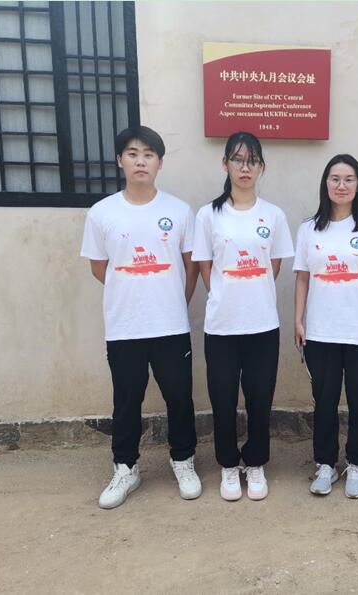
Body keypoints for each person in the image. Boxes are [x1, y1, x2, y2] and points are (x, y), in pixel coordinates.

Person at [80, 126, 201, 509]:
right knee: (126, 401)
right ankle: (126, 468)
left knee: (179, 397)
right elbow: (99, 267)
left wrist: (173, 300)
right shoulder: (102, 213)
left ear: (160, 163)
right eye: (132, 154)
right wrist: (130, 292)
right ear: (120, 160)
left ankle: (183, 460)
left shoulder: (179, 211)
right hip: (125, 327)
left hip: (170, 325)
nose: (140, 161)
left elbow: (191, 267)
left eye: (148, 154)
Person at [192, 131, 294, 501]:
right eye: (237, 159)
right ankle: (228, 465)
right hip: (222, 325)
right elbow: (205, 266)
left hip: (262, 324)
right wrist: (226, 293)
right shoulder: (209, 215)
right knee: (222, 399)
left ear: (261, 167)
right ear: (225, 164)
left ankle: (255, 462)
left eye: (252, 161)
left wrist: (252, 291)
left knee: (259, 399)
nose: (244, 167)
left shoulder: (273, 215)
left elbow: (274, 265)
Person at [294, 154, 358, 499]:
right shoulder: (309, 229)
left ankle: (356, 465)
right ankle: (325, 464)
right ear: (326, 184)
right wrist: (298, 320)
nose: (341, 185)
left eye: (349, 179)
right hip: (320, 331)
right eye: (335, 178)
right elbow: (302, 279)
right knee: (324, 403)